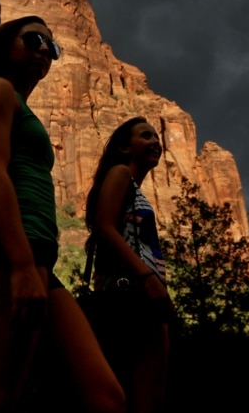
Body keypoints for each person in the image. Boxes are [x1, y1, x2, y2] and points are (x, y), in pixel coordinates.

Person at [0, 16, 125, 413]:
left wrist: (29, 264)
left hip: (35, 259)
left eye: (51, 47)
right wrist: (19, 265)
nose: (42, 50)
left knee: (106, 397)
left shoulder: (18, 104)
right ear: (5, 45)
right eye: (33, 39)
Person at [84, 117, 171, 413]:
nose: (155, 142)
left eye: (156, 137)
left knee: (149, 395)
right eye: (145, 136)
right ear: (124, 147)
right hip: (130, 295)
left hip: (144, 296)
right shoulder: (120, 173)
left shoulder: (135, 188)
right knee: (140, 394)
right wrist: (147, 278)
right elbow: (104, 227)